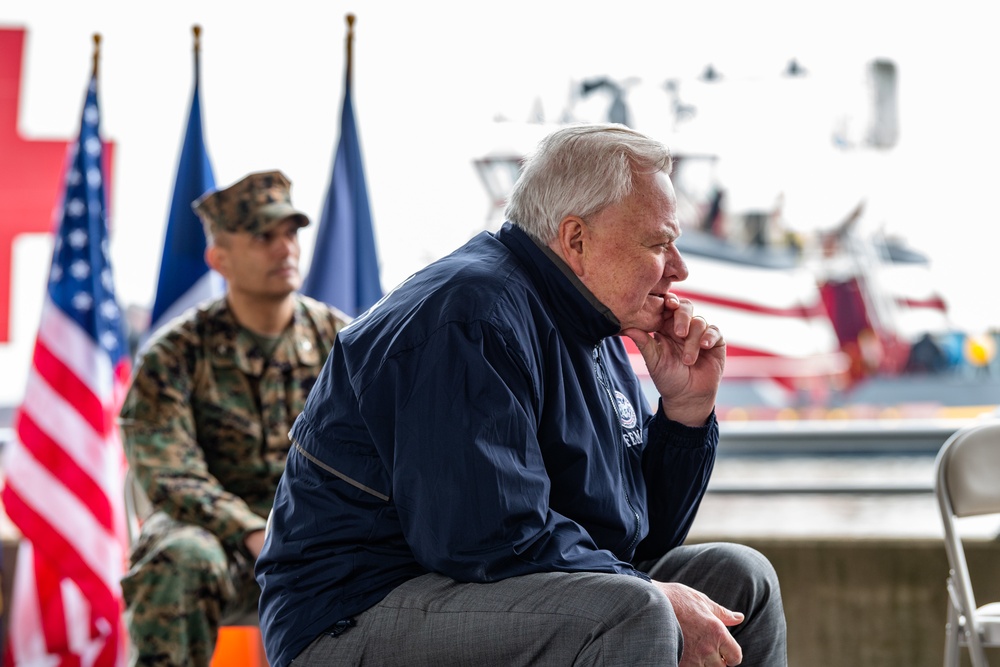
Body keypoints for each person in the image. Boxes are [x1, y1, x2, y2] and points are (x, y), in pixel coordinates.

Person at [256, 124, 787, 666]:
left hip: (479, 589)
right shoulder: (471, 316)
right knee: (636, 610)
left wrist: (685, 414)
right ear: (575, 239)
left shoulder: (589, 325)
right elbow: (485, 538)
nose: (679, 268)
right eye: (658, 243)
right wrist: (658, 596)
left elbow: (637, 543)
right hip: (352, 612)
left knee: (741, 580)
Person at [119, 170, 350, 666]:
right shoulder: (177, 352)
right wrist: (250, 529)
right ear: (219, 258)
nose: (284, 248)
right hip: (221, 540)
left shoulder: (344, 341)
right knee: (179, 559)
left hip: (320, 535)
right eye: (263, 236)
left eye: (291, 233)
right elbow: (168, 471)